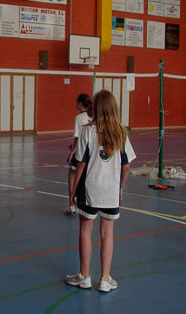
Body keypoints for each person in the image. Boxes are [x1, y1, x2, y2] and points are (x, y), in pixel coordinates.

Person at [65, 90, 135, 293]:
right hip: (110, 190)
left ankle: (84, 276)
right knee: (107, 233)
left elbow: (81, 163)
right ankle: (105, 279)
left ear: (95, 108)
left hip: (89, 188)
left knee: (85, 230)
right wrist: (120, 187)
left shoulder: (87, 130)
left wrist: (73, 190)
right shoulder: (121, 132)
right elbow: (126, 166)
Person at [66, 94, 92, 215]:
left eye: (77, 101)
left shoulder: (79, 118)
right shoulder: (93, 117)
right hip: (91, 152)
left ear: (80, 103)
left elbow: (77, 137)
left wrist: (72, 151)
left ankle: (72, 204)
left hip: (80, 152)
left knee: (72, 176)